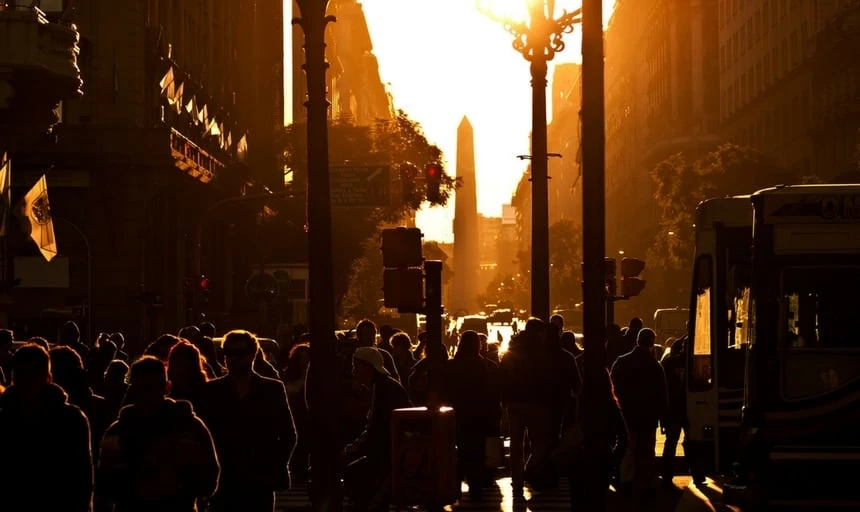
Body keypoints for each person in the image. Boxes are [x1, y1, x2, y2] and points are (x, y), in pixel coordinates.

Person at [97, 356, 220, 511]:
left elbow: (106, 488)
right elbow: (208, 483)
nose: (148, 395)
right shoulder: (190, 426)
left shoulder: (119, 430)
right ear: (167, 387)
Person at [200, 330, 296, 512]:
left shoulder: (271, 389)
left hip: (259, 478)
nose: (233, 358)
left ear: (252, 355)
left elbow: (288, 434)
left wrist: (274, 466)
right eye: (228, 353)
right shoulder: (212, 391)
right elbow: (204, 434)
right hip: (224, 478)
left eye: (240, 353)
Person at [0, 344, 93, 512]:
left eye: (32, 375)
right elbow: (83, 478)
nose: (27, 382)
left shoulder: (71, 419)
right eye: (22, 374)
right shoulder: (72, 418)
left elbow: (82, 478)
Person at [343, 347, 411, 512]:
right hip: (391, 449)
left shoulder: (381, 389)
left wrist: (353, 450)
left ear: (368, 367)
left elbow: (375, 428)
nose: (354, 371)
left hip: (389, 452)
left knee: (355, 474)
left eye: (356, 366)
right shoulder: (384, 385)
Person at [611, 328, 668, 496]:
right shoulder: (655, 366)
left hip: (627, 413)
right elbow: (662, 393)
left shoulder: (622, 361)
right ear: (652, 343)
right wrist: (662, 416)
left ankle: (625, 480)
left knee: (629, 448)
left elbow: (612, 387)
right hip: (648, 416)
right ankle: (646, 482)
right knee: (647, 450)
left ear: (637, 341)